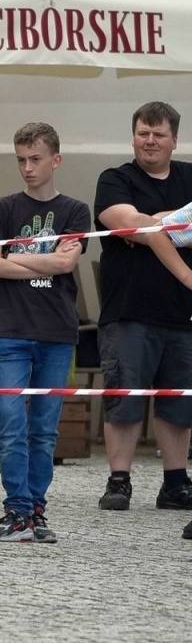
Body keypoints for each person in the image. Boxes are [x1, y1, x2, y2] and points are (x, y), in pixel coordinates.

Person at [0, 123, 89, 543]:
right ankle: (16, 509)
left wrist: (14, 260)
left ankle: (35, 510)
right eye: (21, 159)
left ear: (55, 160)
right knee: (9, 421)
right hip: (10, 330)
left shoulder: (76, 211)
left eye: (36, 159)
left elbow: (65, 266)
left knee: (44, 427)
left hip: (57, 331)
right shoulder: (3, 208)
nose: (28, 167)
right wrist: (43, 261)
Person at [91, 100, 192, 517]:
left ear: (174, 139)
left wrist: (154, 223)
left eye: (159, 134)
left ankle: (175, 484)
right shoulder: (114, 179)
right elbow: (131, 223)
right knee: (125, 398)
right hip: (128, 313)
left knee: (180, 403)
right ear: (134, 137)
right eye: (142, 133)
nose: (150, 141)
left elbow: (147, 227)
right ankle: (119, 481)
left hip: (183, 317)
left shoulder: (190, 176)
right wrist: (174, 226)